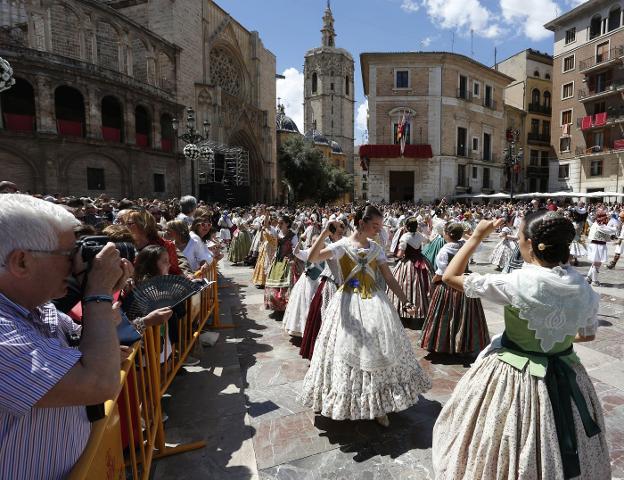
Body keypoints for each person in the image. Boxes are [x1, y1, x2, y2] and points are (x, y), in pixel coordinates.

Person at [432, 211, 611, 479]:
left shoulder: (517, 282)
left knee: (505, 438)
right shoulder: (585, 289)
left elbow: (450, 277)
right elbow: (586, 335)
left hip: (514, 377)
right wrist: (554, 333)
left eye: (519, 238)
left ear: (531, 244)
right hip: (567, 373)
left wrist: (477, 236)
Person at [0, 194, 131, 478]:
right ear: (21, 262)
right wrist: (97, 292)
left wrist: (106, 295)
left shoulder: (39, 309)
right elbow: (97, 382)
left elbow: (92, 345)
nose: (77, 265)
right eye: (69, 255)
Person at [299, 206, 431, 427]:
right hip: (347, 302)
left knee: (378, 350)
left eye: (380, 226)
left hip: (374, 302)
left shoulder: (377, 249)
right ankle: (351, 401)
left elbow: (389, 278)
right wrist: (324, 232)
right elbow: (313, 257)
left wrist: (405, 300)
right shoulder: (342, 246)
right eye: (375, 225)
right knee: (345, 352)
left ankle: (379, 405)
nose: (379, 230)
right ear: (361, 223)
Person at [420, 222, 490, 356]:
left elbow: (441, 274)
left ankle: (446, 344)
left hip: (449, 286)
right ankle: (464, 344)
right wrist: (466, 235)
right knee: (466, 315)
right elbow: (480, 246)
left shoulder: (445, 250)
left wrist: (433, 282)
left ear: (446, 234)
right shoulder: (465, 244)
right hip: (464, 283)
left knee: (447, 314)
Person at [387, 217, 432, 320]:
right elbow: (428, 241)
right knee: (421, 284)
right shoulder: (420, 235)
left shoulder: (404, 237)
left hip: (408, 263)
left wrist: (391, 255)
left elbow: (400, 254)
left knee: (405, 283)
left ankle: (406, 306)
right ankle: (423, 307)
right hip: (421, 261)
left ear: (406, 227)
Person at [264, 215, 300, 314]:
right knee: (273, 284)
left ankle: (286, 307)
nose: (279, 225)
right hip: (278, 261)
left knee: (286, 285)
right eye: (278, 223)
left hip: (287, 262)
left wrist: (293, 260)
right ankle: (276, 305)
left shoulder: (293, 236)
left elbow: (296, 250)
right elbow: (267, 227)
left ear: (287, 224)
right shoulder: (278, 232)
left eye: (281, 223)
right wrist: (266, 215)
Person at [586, 209, 617, 286]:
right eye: (605, 217)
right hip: (598, 246)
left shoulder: (595, 224)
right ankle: (594, 281)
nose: (606, 219)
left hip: (596, 245)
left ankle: (589, 278)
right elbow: (611, 230)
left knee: (595, 263)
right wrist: (616, 225)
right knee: (597, 263)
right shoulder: (600, 226)